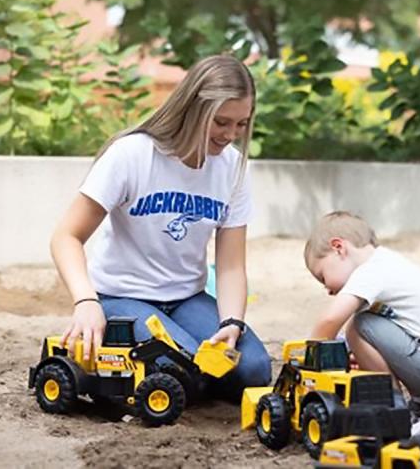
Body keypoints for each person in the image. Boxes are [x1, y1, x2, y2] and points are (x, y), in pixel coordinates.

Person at [50, 54, 271, 401]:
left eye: (242, 124)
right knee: (183, 370)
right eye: (221, 122)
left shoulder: (232, 169)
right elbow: (66, 237)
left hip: (186, 298)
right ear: (194, 109)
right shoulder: (132, 155)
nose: (231, 135)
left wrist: (231, 323)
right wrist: (85, 301)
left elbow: (229, 266)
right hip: (121, 297)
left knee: (254, 370)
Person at [304, 211, 420, 435]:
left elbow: (329, 321)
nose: (328, 290)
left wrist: (309, 359)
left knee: (359, 326)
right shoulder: (390, 263)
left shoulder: (370, 272)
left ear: (339, 247)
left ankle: (396, 413)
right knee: (366, 328)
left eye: (322, 277)